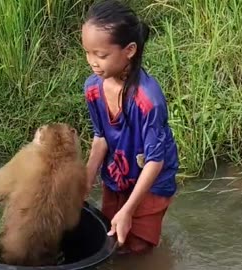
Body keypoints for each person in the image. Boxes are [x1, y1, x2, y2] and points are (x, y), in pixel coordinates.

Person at [81, 0, 179, 255]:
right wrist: (85, 181)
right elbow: (100, 138)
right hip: (119, 172)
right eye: (87, 53)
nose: (93, 62)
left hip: (152, 178)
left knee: (136, 247)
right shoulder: (93, 89)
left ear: (130, 50)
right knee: (110, 240)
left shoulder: (147, 100)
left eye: (101, 55)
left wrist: (128, 210)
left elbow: (155, 161)